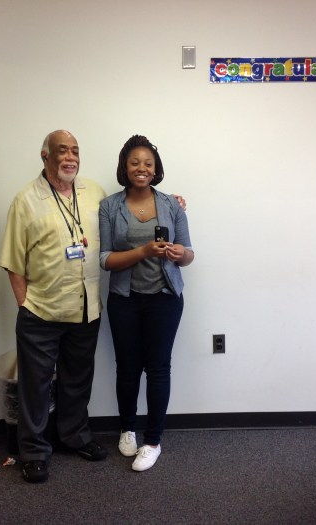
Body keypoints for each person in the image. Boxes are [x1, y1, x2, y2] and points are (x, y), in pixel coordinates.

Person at [0, 130, 108, 483]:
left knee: (77, 379)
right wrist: (25, 306)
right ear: (45, 156)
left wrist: (167, 202)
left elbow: (125, 216)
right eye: (63, 151)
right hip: (41, 311)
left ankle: (75, 436)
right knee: (35, 386)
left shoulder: (95, 193)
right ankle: (33, 451)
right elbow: (13, 262)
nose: (70, 157)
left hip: (86, 308)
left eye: (75, 150)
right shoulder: (26, 200)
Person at [99, 134, 195, 472]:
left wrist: (180, 254)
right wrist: (142, 251)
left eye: (148, 163)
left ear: (156, 170)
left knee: (158, 369)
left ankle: (153, 441)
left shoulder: (172, 204)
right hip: (124, 300)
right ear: (125, 168)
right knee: (127, 368)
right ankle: (127, 429)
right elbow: (105, 259)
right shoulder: (109, 206)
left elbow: (189, 253)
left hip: (164, 300)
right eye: (135, 162)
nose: (142, 168)